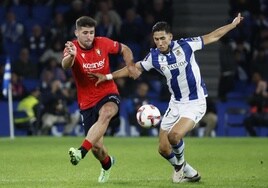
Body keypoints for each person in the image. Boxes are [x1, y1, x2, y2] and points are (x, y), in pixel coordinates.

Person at [90, 13, 243, 183]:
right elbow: (133, 69)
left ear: (170, 37)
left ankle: (179, 167)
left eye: (163, 38)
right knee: (163, 148)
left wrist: (232, 25)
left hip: (195, 102)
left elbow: (213, 36)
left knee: (174, 136)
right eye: (156, 39)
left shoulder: (186, 46)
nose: (160, 42)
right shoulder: (154, 57)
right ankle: (190, 172)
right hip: (175, 103)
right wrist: (108, 77)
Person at [61, 16, 139, 183]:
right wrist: (72, 56)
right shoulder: (71, 48)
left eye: (91, 32)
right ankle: (107, 164)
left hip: (108, 92)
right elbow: (65, 65)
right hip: (87, 102)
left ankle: (80, 152)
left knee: (107, 112)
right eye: (85, 33)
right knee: (97, 148)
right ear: (77, 33)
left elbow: (124, 48)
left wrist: (130, 65)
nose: (89, 36)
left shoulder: (103, 42)